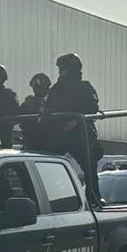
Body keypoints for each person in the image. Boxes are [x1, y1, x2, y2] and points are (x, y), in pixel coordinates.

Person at [45, 53, 102, 200]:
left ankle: (93, 198)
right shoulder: (56, 89)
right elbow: (48, 107)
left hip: (80, 134)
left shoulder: (85, 88)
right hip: (59, 134)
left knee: (89, 166)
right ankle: (51, 197)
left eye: (63, 69)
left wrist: (76, 121)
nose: (60, 72)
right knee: (48, 163)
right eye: (60, 69)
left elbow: (92, 109)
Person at [19, 73, 52, 150]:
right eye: (34, 87)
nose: (36, 90)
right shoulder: (30, 101)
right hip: (31, 138)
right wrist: (26, 106)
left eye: (39, 87)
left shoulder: (53, 99)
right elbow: (20, 115)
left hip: (48, 138)